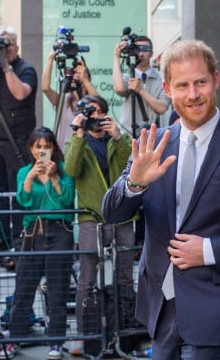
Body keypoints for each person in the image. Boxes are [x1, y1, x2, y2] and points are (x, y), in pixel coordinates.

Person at [102, 39, 220, 359]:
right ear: (167, 88)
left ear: (216, 80)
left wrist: (210, 250)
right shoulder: (153, 144)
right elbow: (111, 212)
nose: (192, 94)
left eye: (200, 82)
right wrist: (135, 183)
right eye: (182, 85)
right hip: (160, 306)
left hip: (217, 304)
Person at [63, 95, 136, 345]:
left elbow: (133, 165)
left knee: (125, 276)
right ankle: (87, 334)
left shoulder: (118, 139)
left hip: (122, 215)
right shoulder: (77, 141)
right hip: (90, 217)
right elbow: (71, 170)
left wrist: (118, 136)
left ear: (106, 114)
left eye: (98, 112)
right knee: (87, 279)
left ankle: (125, 332)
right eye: (89, 113)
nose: (94, 118)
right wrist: (78, 134)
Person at [0, 127, 75, 360]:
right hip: (33, 232)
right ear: (31, 149)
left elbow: (66, 200)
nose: (42, 150)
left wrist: (53, 178)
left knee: (57, 290)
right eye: (38, 146)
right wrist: (31, 177)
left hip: (59, 230)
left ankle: (55, 342)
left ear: (53, 148)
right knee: (24, 288)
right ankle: (14, 339)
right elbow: (24, 201)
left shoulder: (63, 170)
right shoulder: (24, 171)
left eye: (46, 146)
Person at [0, 27, 37, 240]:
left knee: (17, 192)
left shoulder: (25, 69)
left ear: (15, 46)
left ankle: (19, 239)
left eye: (7, 45)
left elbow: (20, 94)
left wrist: (6, 66)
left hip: (17, 142)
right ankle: (2, 240)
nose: (4, 50)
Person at [112, 35, 171, 137]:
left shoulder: (162, 78)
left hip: (150, 135)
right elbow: (119, 89)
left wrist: (141, 90)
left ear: (151, 53)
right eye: (137, 49)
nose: (141, 54)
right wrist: (116, 56)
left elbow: (162, 108)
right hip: (127, 135)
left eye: (145, 50)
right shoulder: (128, 77)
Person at [41, 49, 99, 150]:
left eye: (77, 72)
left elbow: (100, 104)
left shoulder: (91, 101)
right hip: (65, 150)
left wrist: (84, 79)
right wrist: (50, 59)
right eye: (72, 72)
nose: (73, 75)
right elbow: (45, 88)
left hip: (88, 151)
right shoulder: (64, 99)